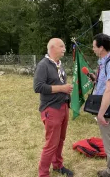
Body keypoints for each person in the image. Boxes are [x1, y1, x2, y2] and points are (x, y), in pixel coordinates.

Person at [33, 38, 74, 177]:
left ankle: (57, 165)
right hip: (51, 109)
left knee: (61, 139)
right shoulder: (43, 65)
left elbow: (58, 82)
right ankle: (43, 173)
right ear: (52, 48)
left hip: (63, 106)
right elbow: (38, 87)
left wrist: (66, 90)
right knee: (51, 142)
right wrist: (62, 88)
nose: (64, 49)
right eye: (61, 46)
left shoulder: (59, 64)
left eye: (64, 46)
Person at [91, 33, 110, 177]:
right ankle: (109, 171)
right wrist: (95, 80)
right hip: (104, 108)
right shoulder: (104, 62)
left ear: (101, 47)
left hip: (107, 109)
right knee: (108, 142)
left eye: (94, 46)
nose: (93, 49)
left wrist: (101, 113)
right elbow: (105, 85)